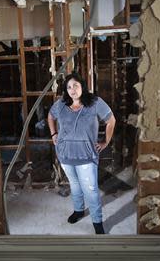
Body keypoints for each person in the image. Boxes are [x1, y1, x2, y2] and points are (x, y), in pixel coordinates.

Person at [47, 72, 116, 234]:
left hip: (86, 155)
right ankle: (78, 211)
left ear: (82, 87)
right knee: (75, 184)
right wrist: (54, 134)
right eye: (69, 87)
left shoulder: (94, 103)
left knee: (91, 189)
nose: (72, 90)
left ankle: (97, 221)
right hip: (65, 154)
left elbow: (111, 120)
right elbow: (50, 116)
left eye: (75, 85)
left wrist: (105, 141)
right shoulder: (61, 104)